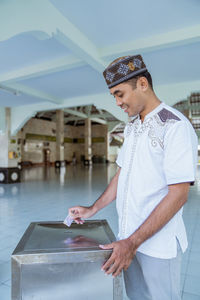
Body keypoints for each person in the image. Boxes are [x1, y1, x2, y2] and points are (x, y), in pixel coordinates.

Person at [68, 55, 198, 300]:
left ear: (142, 84)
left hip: (157, 247)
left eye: (120, 94)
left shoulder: (175, 126)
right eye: (114, 96)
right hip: (127, 239)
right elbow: (123, 172)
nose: (117, 102)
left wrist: (132, 243)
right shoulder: (132, 127)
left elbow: (179, 195)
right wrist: (92, 208)